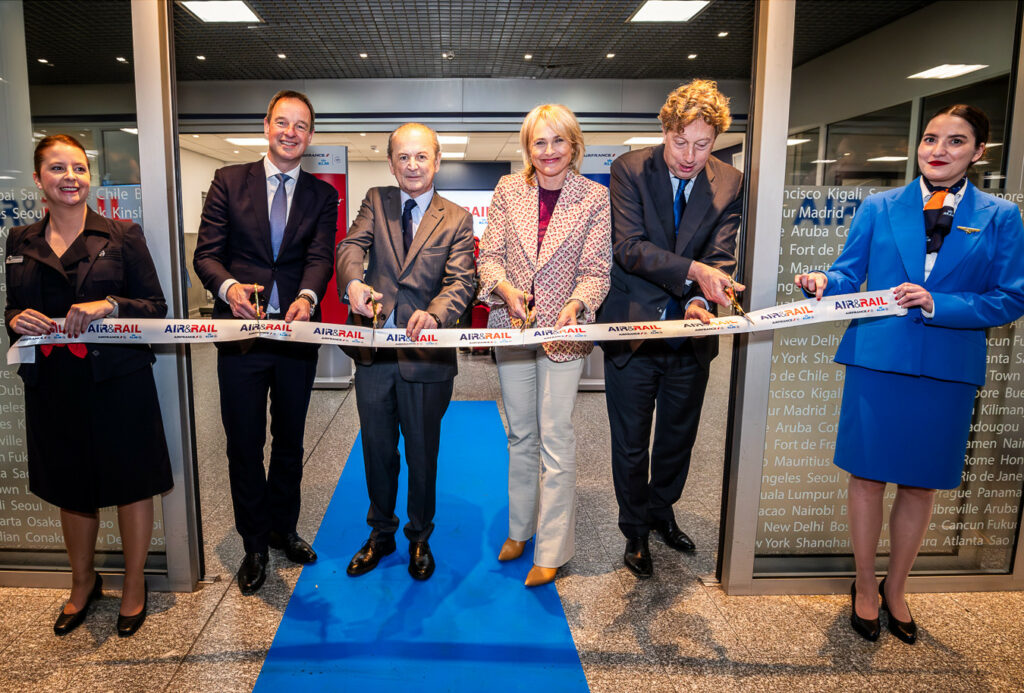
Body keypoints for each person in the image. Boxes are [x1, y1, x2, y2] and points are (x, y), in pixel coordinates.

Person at [796, 104, 1024, 644]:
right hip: (878, 359)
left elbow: (1010, 298)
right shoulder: (879, 206)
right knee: (867, 477)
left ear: (978, 152)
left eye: (955, 141)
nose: (938, 150)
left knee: (921, 485)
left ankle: (896, 587)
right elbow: (848, 273)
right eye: (930, 138)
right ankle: (865, 585)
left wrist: (939, 303)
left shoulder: (1001, 216)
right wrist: (823, 281)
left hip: (948, 367)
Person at [5, 135, 172, 637]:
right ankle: (83, 583)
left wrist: (111, 304)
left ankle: (135, 584)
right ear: (38, 179)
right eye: (58, 168)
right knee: (69, 485)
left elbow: (156, 307)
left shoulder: (122, 235)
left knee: (131, 481)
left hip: (118, 381)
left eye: (79, 168)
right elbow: (12, 308)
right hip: (53, 384)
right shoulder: (19, 241)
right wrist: (14, 319)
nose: (70, 177)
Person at [193, 90, 338, 595]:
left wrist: (307, 296)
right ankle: (254, 543)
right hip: (242, 336)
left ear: (310, 135)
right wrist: (229, 288)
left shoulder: (322, 196)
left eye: (301, 125)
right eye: (283, 122)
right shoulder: (229, 181)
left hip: (296, 335)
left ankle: (283, 529)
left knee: (290, 442)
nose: (290, 133)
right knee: (244, 443)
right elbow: (206, 255)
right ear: (266, 125)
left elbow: (320, 258)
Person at [599, 80, 744, 579]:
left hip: (691, 332)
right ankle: (635, 530)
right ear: (665, 132)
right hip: (634, 329)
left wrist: (702, 298)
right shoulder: (629, 169)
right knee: (631, 439)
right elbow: (630, 247)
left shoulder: (730, 182)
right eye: (680, 142)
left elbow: (721, 254)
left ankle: (662, 511)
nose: (689, 156)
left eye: (702, 145)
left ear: (716, 140)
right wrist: (694, 273)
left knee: (678, 436)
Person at [477, 104, 611, 586]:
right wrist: (505, 290)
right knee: (520, 434)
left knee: (555, 436)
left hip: (563, 332)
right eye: (539, 141)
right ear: (527, 148)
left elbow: (597, 271)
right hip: (512, 327)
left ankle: (552, 549)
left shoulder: (594, 197)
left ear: (574, 145)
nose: (549, 151)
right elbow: (489, 256)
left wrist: (577, 303)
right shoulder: (507, 189)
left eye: (558, 141)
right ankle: (519, 529)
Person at [337, 122, 475, 581]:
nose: (412, 165)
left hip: (426, 360)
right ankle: (381, 534)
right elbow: (351, 246)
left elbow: (463, 281)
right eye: (403, 157)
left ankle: (419, 536)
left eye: (421, 156)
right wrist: (353, 283)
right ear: (391, 163)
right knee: (377, 450)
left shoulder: (456, 218)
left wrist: (436, 314)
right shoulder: (376, 201)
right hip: (375, 355)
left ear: (437, 161)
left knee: (422, 452)